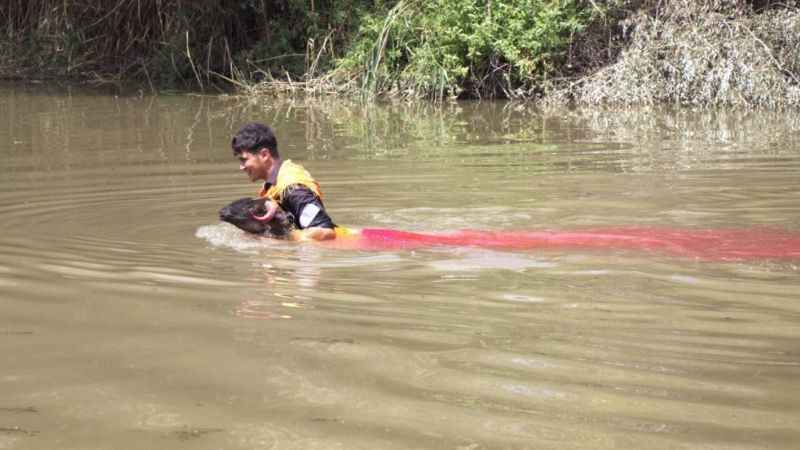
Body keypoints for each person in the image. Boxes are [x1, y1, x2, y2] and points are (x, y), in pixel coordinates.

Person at [231, 122, 337, 241]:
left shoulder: (293, 188)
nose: (242, 167)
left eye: (244, 160)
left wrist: (279, 236)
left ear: (264, 155)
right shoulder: (273, 183)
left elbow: (326, 233)